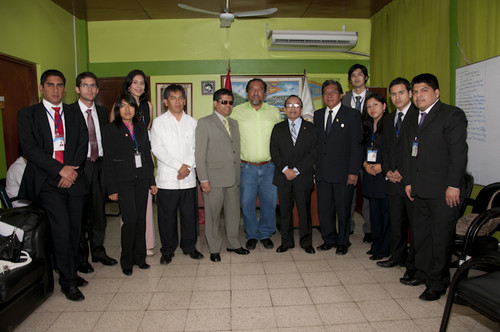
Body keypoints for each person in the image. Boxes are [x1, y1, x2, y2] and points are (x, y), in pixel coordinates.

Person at [18, 69, 89, 301]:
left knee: (75, 230)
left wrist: (71, 169)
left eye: (59, 85)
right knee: (61, 229)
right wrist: (60, 170)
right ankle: (67, 282)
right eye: (50, 85)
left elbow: (82, 142)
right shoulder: (28, 115)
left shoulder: (73, 112)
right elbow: (30, 149)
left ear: (65, 88)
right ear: (41, 88)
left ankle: (70, 270)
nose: (56, 90)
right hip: (47, 181)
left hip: (74, 179)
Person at [401, 73, 468, 301]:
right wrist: (409, 181)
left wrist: (453, 185)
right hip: (418, 189)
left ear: (436, 93)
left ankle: (438, 282)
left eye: (424, 90)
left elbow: (458, 154)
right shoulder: (413, 119)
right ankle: (424, 273)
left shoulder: (451, 115)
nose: (419, 95)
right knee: (422, 236)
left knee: (440, 238)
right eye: (416, 91)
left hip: (443, 192)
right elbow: (410, 155)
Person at [103, 94, 157, 276]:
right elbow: (108, 161)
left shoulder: (141, 129)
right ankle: (126, 259)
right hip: (123, 181)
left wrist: (152, 181)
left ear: (136, 109)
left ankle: (139, 258)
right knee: (130, 219)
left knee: (141, 219)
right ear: (118, 109)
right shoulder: (111, 129)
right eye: (123, 106)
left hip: (141, 180)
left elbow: (147, 158)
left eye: (131, 106)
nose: (127, 109)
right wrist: (112, 189)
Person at [70, 72, 117, 274]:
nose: (89, 89)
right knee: (80, 215)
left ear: (97, 89)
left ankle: (98, 252)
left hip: (100, 166)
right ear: (77, 89)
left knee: (99, 213)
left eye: (93, 86)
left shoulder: (102, 111)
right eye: (85, 85)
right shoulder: (69, 112)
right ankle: (81, 258)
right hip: (80, 168)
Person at [195, 88, 249, 262]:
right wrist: (203, 179)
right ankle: (214, 248)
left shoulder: (234, 123)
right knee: (213, 215)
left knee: (233, 213)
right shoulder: (204, 122)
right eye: (224, 102)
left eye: (230, 102)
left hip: (233, 177)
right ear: (215, 103)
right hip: (213, 179)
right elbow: (199, 154)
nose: (227, 105)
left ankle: (233, 244)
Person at [151, 84, 203, 265]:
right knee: (167, 217)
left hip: (188, 178)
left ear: (185, 100)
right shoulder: (159, 122)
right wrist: (177, 167)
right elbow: (158, 149)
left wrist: (186, 166)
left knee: (190, 216)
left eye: (180, 97)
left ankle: (189, 247)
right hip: (168, 180)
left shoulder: (192, 122)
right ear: (166, 102)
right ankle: (167, 250)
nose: (177, 101)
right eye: (173, 98)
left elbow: (197, 148)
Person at [231, 78, 282, 250]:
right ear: (247, 93)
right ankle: (252, 234)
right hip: (246, 167)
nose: (256, 92)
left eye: (260, 89)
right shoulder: (236, 112)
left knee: (269, 202)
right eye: (252, 89)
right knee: (247, 203)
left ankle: (266, 233)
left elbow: (281, 139)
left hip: (269, 166)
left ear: (265, 93)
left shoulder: (274, 112)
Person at [314, 80, 362, 255]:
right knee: (325, 209)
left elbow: (357, 146)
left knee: (343, 209)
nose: (329, 95)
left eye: (333, 92)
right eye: (326, 93)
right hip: (322, 173)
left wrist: (353, 172)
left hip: (344, 173)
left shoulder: (352, 115)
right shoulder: (318, 115)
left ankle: (343, 241)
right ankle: (329, 239)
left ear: (341, 95)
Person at [378, 78, 417, 275]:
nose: (397, 97)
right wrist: (388, 171)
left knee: (414, 226)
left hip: (411, 180)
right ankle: (396, 256)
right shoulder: (388, 119)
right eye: (393, 94)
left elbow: (418, 150)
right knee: (397, 222)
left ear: (410, 93)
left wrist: (404, 172)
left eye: (401, 93)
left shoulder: (419, 116)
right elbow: (385, 149)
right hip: (392, 180)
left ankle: (413, 265)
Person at [270, 95, 317, 254]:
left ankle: (306, 242)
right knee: (284, 212)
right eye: (289, 105)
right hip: (283, 177)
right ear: (284, 109)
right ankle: (286, 242)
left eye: (296, 105)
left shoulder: (311, 128)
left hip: (302, 177)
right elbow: (274, 152)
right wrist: (286, 170)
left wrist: (296, 170)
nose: (292, 108)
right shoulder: (278, 128)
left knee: (304, 212)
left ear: (301, 109)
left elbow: (313, 153)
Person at [121, 69, 156, 256]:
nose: (139, 86)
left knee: (145, 202)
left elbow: (147, 131)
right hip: (126, 159)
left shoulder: (148, 106)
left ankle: (146, 243)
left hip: (143, 155)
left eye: (142, 82)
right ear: (128, 85)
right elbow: (114, 133)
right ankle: (129, 245)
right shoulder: (120, 104)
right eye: (135, 82)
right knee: (129, 205)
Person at [341, 63, 373, 242]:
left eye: (360, 74)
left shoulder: (374, 98)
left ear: (366, 77)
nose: (356, 78)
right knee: (348, 192)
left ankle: (369, 229)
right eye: (353, 75)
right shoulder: (344, 99)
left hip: (370, 152)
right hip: (349, 154)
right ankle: (348, 226)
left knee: (368, 193)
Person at [361, 94, 390, 261]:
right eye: (369, 106)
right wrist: (364, 164)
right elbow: (362, 149)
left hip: (384, 175)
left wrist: (383, 166)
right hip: (370, 174)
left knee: (385, 214)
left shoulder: (391, 125)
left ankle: (384, 248)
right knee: (374, 214)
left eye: (375, 104)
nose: (372, 109)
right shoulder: (367, 126)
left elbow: (395, 151)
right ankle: (376, 244)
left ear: (384, 106)